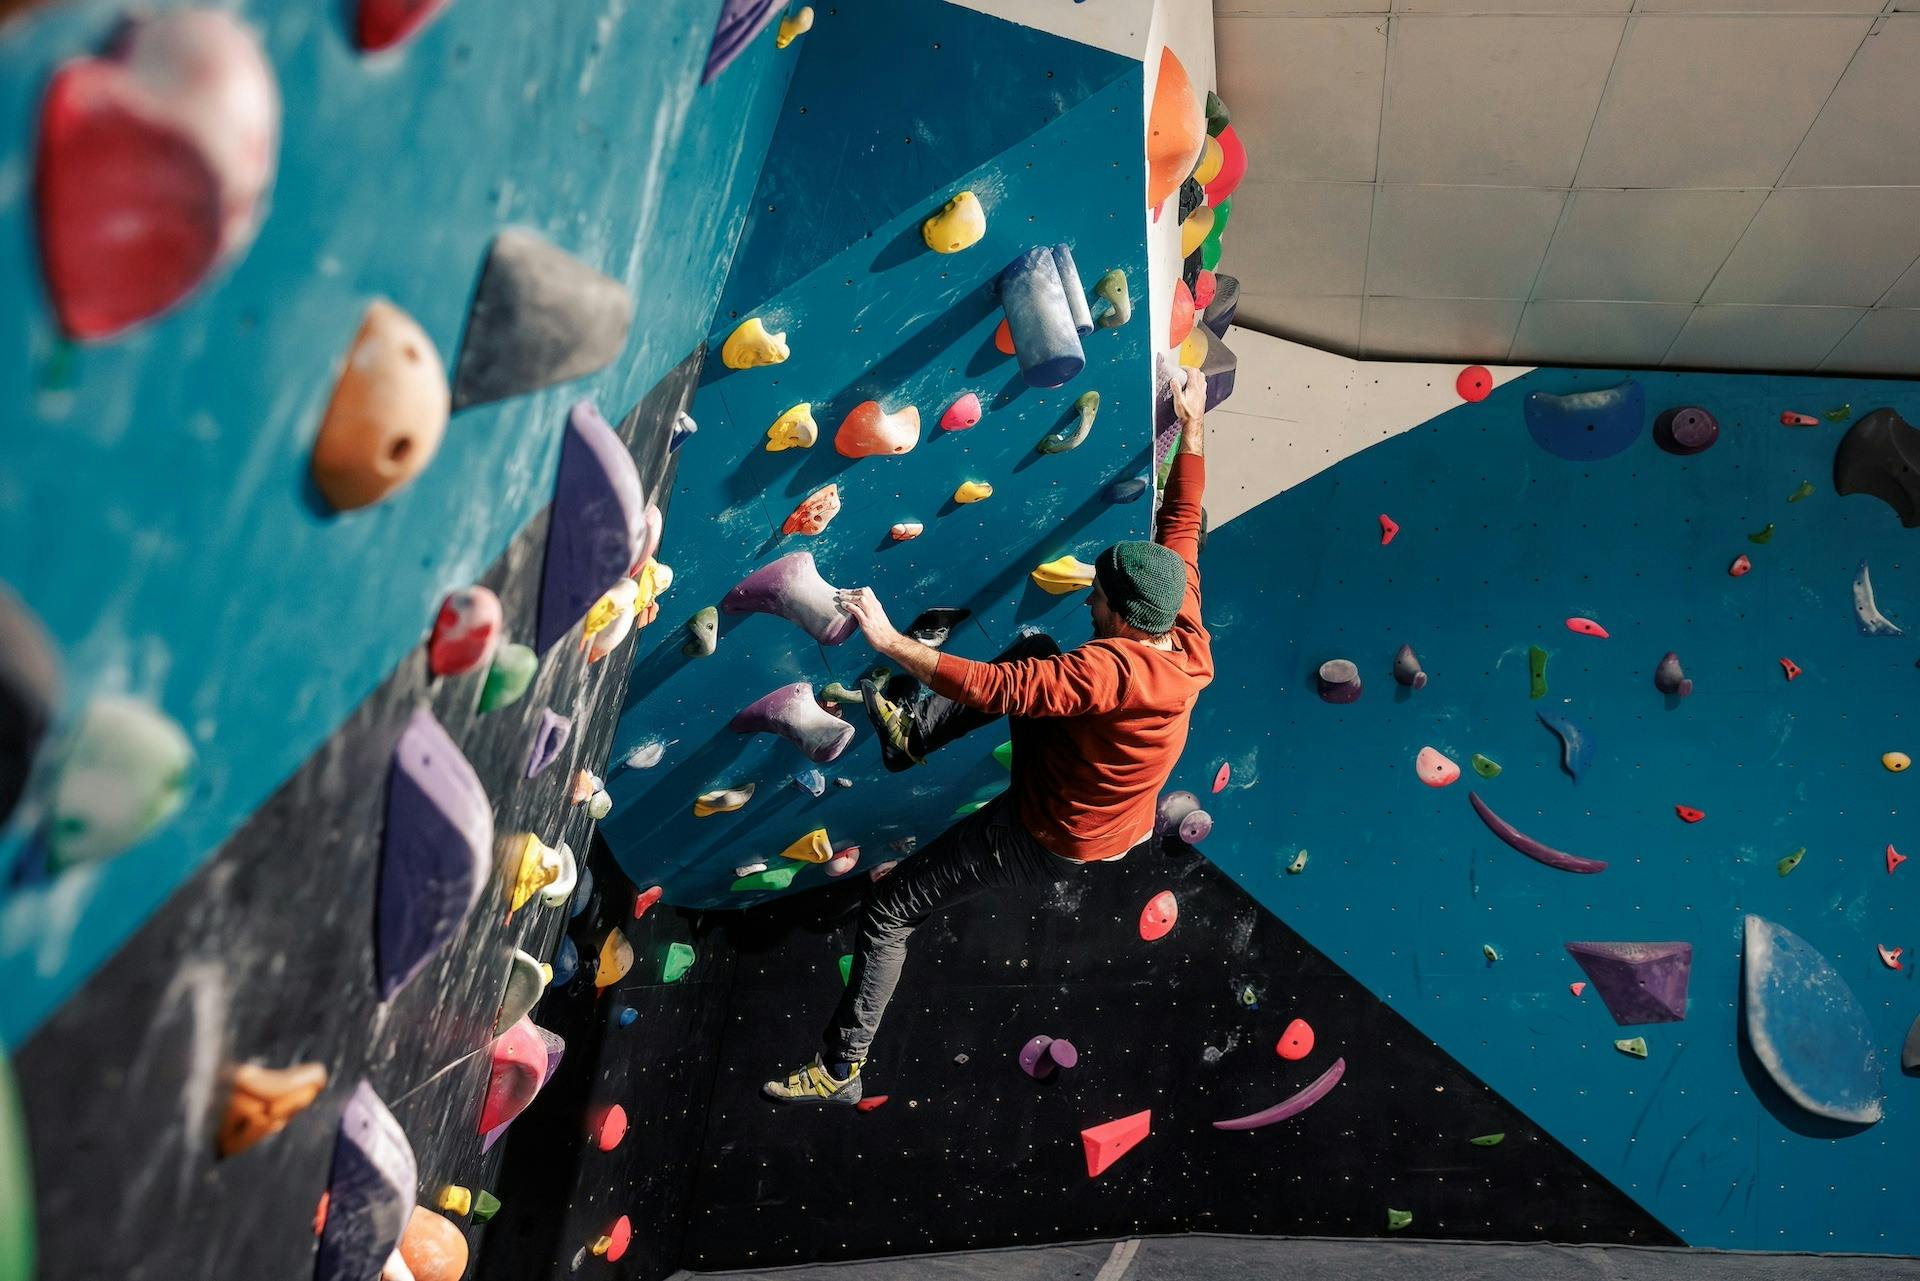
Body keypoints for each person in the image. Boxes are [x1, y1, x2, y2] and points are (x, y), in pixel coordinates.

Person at [763, 368, 1215, 1106]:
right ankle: (909, 738)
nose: (1091, 602)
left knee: (891, 910)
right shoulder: (1180, 623)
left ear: (1128, 622)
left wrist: (888, 642)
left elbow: (1000, 690)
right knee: (1035, 647)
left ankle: (842, 1068)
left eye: (1099, 601)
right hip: (1105, 802)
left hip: (1050, 829)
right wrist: (1192, 425)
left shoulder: (1107, 672)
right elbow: (1183, 525)